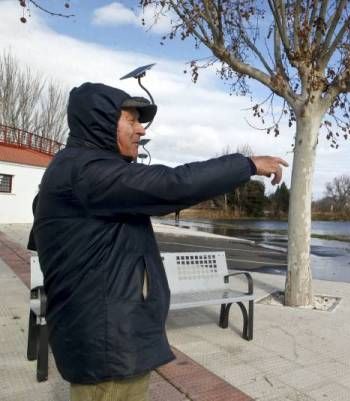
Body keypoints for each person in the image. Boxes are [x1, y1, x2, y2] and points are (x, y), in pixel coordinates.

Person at [28, 82, 288, 401]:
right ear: (100, 122)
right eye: (132, 120)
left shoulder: (79, 170)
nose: (141, 129)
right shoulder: (87, 173)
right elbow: (173, 185)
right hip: (107, 349)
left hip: (109, 340)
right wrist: (246, 165)